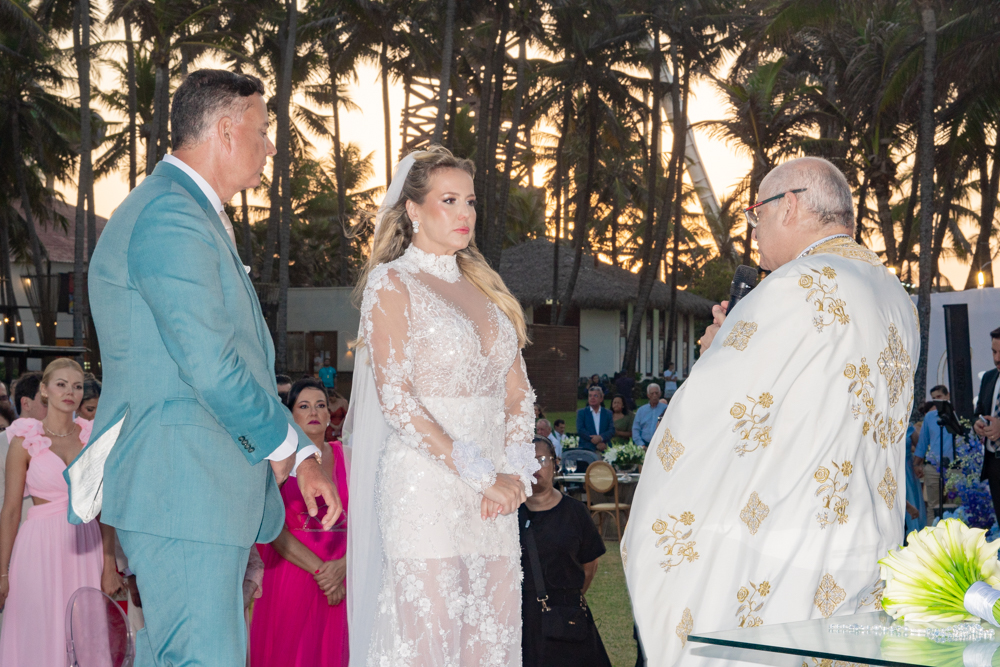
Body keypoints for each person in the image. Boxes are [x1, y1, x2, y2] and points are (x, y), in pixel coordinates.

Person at [65, 69, 340, 667]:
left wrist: (301, 455)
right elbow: (212, 365)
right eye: (262, 130)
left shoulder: (183, 211)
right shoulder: (171, 215)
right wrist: (291, 453)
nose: (270, 146)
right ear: (224, 130)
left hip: (194, 489)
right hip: (183, 485)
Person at [624, 157, 918, 667]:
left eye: (757, 215)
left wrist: (717, 347)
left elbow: (717, 411)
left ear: (793, 205)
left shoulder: (799, 283)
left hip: (790, 547)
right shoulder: (894, 293)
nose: (754, 233)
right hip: (867, 537)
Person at [346, 146, 538, 666]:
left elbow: (518, 393)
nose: (464, 214)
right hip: (425, 487)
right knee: (429, 639)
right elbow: (398, 402)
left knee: (492, 640)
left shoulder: (488, 290)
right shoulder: (393, 284)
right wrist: (483, 474)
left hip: (495, 496)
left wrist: (516, 471)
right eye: (448, 200)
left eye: (470, 202)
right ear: (413, 210)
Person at [0, 359, 123, 666]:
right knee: (38, 629)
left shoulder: (93, 438)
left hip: (85, 545)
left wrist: (109, 564)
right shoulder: (23, 441)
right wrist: (2, 572)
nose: (70, 392)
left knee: (87, 632)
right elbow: (11, 510)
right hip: (37, 547)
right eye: (61, 384)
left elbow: (103, 507)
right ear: (44, 390)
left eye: (77, 386)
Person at [251, 378, 349, 667]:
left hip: (344, 572)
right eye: (304, 406)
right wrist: (322, 572)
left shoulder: (348, 457)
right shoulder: (278, 463)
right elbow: (271, 528)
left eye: (321, 405)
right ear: (290, 416)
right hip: (294, 572)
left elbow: (370, 520)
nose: (314, 412)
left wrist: (344, 566)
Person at [519, 437, 611, 667]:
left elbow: (589, 567)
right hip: (523, 618)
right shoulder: (509, 515)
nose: (534, 467)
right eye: (526, 461)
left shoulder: (575, 512)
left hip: (567, 617)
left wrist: (565, 601)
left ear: (555, 463)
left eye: (541, 459)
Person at [913, 385, 954, 514]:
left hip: (954, 466)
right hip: (933, 466)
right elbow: (922, 442)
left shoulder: (957, 414)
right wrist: (916, 464)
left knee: (955, 504)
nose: (937, 400)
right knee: (933, 506)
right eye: (934, 398)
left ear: (948, 396)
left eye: (939, 397)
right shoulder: (930, 417)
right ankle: (932, 532)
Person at [974, 327, 1000, 524]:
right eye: (994, 352)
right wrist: (978, 424)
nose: (997, 358)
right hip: (994, 464)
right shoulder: (989, 378)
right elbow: (980, 411)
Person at [576, 386, 614, 452]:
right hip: (587, 448)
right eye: (590, 396)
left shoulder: (608, 413)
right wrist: (594, 440)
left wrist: (601, 438)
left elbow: (611, 430)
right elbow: (580, 429)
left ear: (601, 399)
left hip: (604, 447)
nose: (592, 398)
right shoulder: (581, 413)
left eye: (595, 396)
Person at [632, 383, 667, 448]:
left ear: (660, 394)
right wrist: (641, 445)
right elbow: (636, 429)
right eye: (652, 393)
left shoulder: (666, 409)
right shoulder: (641, 410)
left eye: (656, 393)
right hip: (644, 444)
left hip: (661, 445)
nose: (654, 395)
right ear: (648, 395)